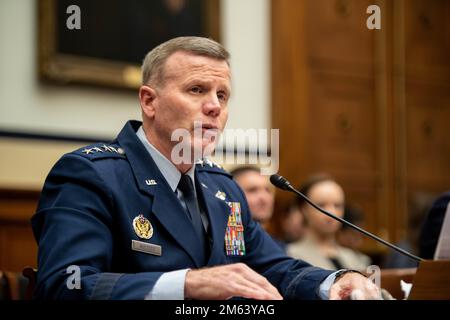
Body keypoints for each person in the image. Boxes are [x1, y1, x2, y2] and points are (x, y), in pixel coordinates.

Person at [31, 37, 379, 300]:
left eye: (223, 95)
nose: (214, 107)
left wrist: (334, 281)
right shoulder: (90, 174)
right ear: (149, 101)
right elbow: (65, 285)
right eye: (197, 89)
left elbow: (272, 266)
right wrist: (186, 284)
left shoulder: (222, 187)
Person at [287, 174, 371, 271]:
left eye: (337, 205)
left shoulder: (356, 258)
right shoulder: (291, 256)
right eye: (321, 205)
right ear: (304, 209)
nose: (331, 213)